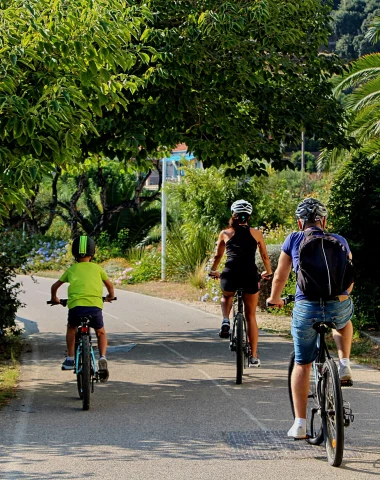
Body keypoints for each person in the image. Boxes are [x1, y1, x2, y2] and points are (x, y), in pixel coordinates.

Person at [267, 198, 354, 439]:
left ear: (299, 222)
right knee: (345, 321)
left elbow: (280, 277)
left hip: (306, 308)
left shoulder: (294, 239)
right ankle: (344, 363)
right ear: (324, 221)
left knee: (303, 363)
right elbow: (350, 277)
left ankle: (300, 424)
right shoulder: (340, 241)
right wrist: (342, 296)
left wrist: (274, 298)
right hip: (338, 304)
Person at [209, 199, 272, 367]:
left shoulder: (225, 233)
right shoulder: (256, 233)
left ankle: (225, 320)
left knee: (227, 295)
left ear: (233, 215)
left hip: (231, 274)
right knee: (251, 316)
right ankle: (254, 356)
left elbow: (218, 256)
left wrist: (213, 270)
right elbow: (265, 256)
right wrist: (268, 271)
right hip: (250, 275)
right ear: (249, 216)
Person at [50, 235, 115, 382]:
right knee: (100, 332)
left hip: (76, 308)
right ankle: (103, 357)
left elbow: (54, 286)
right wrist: (110, 296)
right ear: (92, 253)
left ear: (74, 254)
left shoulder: (72, 269)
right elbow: (110, 286)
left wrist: (55, 298)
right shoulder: (98, 269)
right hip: (94, 307)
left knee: (72, 327)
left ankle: (70, 358)